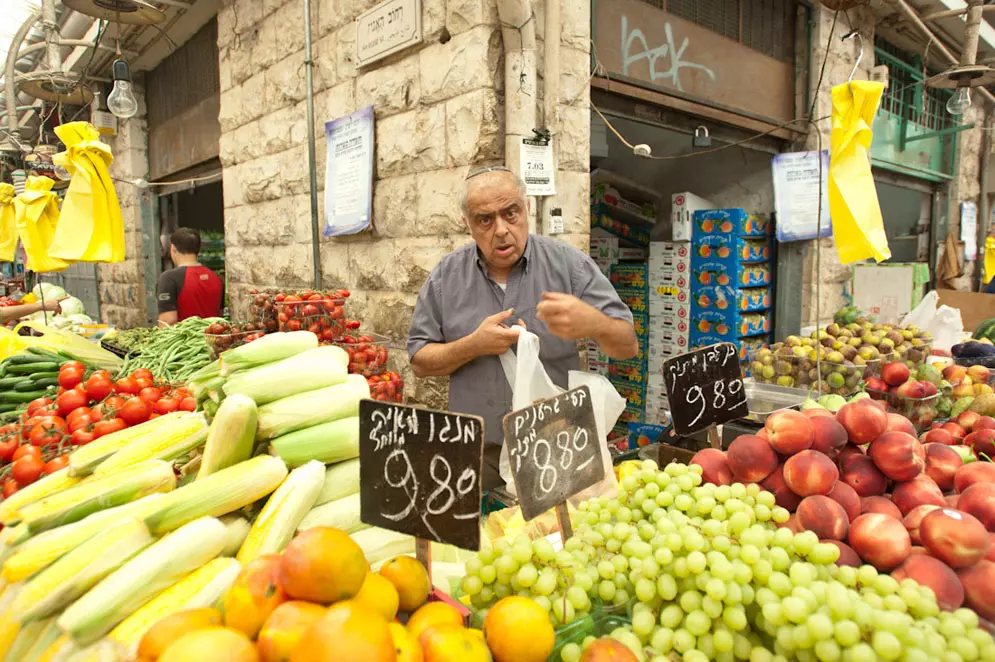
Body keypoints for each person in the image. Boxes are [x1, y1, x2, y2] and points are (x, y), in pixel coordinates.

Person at [407, 166, 638, 491]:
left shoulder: (570, 266)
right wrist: (474, 345)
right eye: (484, 220)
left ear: (527, 207)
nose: (501, 230)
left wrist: (594, 323)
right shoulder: (447, 277)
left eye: (510, 213)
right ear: (468, 224)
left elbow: (627, 344)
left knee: (558, 539)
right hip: (477, 455)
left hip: (555, 448)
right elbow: (419, 361)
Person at [156, 228, 223, 325]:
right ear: (199, 250)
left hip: (186, 339)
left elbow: (167, 321)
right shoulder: (216, 278)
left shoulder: (169, 278)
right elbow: (219, 317)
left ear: (173, 248)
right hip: (212, 338)